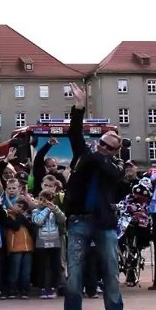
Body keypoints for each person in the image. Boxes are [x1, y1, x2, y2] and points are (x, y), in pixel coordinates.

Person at [62, 83, 124, 310]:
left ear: (115, 151)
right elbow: (74, 133)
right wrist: (79, 108)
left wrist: (97, 155)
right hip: (79, 219)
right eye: (101, 142)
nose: (102, 146)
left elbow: (114, 173)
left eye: (108, 146)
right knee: (75, 272)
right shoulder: (87, 156)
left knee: (110, 271)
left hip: (104, 222)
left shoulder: (114, 165)